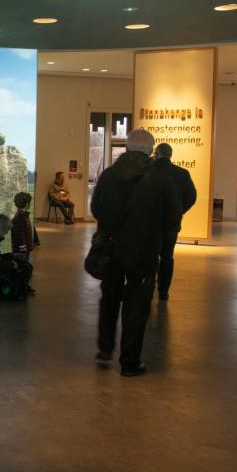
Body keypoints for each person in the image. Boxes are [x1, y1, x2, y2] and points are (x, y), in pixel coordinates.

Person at [90, 129, 181, 377]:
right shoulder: (160, 179)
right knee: (137, 307)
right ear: (150, 151)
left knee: (109, 299)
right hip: (144, 253)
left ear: (127, 149)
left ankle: (105, 349)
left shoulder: (109, 176)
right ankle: (130, 362)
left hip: (111, 251)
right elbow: (173, 217)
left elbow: (96, 208)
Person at [151, 143, 197, 300]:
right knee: (167, 256)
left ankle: (148, 286)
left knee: (149, 254)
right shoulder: (182, 173)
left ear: (156, 154)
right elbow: (192, 196)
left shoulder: (149, 171)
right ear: (170, 155)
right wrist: (179, 210)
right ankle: (164, 291)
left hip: (151, 222)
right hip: (171, 223)